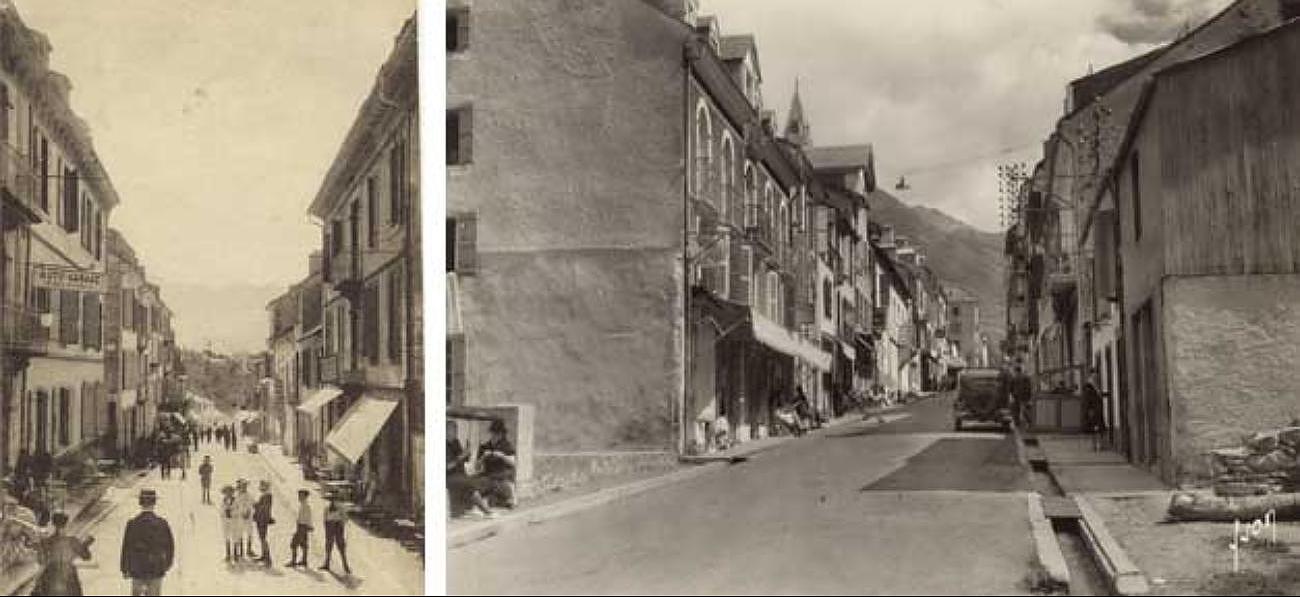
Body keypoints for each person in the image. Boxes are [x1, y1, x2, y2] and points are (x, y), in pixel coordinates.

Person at [120, 488, 174, 596]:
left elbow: (126, 547)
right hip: (156, 569)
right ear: (154, 503)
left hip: (137, 569)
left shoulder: (132, 523)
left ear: (140, 503)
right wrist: (167, 564)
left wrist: (124, 568)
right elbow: (170, 546)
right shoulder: (162, 524)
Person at [32, 511, 94, 596]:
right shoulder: (72, 541)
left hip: (51, 575)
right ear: (66, 524)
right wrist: (85, 546)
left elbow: (40, 560)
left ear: (53, 524)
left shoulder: (46, 542)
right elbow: (87, 557)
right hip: (68, 576)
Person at [446, 421, 494, 518]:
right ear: (445, 431)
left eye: (456, 430)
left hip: (460, 474)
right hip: (449, 476)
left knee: (485, 481)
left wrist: (468, 452)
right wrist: (461, 456)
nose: (455, 433)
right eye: (452, 430)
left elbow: (464, 460)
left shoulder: (456, 442)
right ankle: (487, 512)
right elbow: (447, 467)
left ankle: (470, 508)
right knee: (468, 483)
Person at [477, 419, 518, 509]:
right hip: (488, 474)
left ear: (502, 434)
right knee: (479, 482)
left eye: (499, 433)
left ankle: (510, 497)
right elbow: (477, 466)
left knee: (505, 482)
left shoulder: (507, 445)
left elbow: (513, 462)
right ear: (491, 433)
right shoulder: (484, 447)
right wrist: (483, 457)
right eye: (494, 433)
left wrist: (502, 456)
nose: (496, 435)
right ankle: (487, 500)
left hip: (502, 474)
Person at [319, 494, 351, 574]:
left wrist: (340, 523)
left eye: (335, 499)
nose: (333, 501)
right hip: (329, 526)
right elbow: (325, 518)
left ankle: (345, 565)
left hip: (337, 526)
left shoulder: (341, 507)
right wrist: (326, 526)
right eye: (332, 499)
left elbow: (346, 518)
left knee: (341, 545)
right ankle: (327, 563)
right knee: (328, 545)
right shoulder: (327, 507)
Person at [286, 489, 313, 567]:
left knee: (294, 543)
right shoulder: (302, 505)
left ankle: (293, 561)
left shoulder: (306, 506)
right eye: (299, 495)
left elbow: (308, 517)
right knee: (304, 544)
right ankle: (304, 560)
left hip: (302, 526)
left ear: (305, 496)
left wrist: (308, 526)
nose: (299, 497)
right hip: (301, 526)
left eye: (301, 495)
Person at [253, 480, 274, 566]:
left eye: (263, 486)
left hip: (262, 519)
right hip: (260, 519)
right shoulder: (265, 496)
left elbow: (264, 508)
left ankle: (267, 557)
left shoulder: (267, 496)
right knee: (262, 538)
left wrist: (256, 505)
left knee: (263, 538)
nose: (261, 487)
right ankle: (263, 555)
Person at [1082, 375, 1106, 450]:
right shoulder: (1089, 389)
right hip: (1093, 411)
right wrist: (1088, 411)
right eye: (1094, 379)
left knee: (1096, 429)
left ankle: (1097, 445)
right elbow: (1088, 401)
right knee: (1095, 429)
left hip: (1096, 411)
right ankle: (1096, 445)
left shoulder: (1095, 388)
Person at [234, 479, 256, 559]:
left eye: (245, 486)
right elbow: (235, 507)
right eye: (242, 486)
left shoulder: (249, 495)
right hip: (240, 518)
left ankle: (249, 550)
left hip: (249, 517)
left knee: (250, 534)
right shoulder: (236, 497)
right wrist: (239, 513)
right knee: (240, 534)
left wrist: (250, 511)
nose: (244, 488)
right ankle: (241, 551)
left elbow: (253, 504)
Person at [220, 486, 239, 561]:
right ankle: (228, 554)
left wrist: (232, 513)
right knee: (226, 537)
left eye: (230, 492)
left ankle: (235, 554)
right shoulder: (223, 501)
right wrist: (225, 512)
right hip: (226, 521)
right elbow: (221, 510)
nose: (228, 494)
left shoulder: (236, 501)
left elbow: (238, 510)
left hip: (234, 521)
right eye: (227, 492)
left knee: (234, 537)